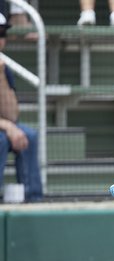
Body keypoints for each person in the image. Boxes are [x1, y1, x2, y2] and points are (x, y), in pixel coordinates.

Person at [0, 13, 43, 202]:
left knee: (29, 135)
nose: (1, 40)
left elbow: (12, 114)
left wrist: (0, 75)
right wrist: (8, 127)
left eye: (2, 34)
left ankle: (33, 203)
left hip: (2, 125)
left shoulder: (3, 67)